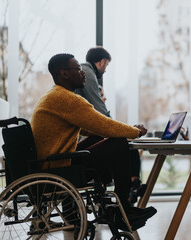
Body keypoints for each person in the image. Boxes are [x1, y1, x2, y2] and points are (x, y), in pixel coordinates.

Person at [31, 53, 156, 227]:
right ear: (65, 74)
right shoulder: (67, 99)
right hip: (58, 170)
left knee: (102, 137)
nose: (83, 73)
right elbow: (105, 125)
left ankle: (111, 203)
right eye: (79, 69)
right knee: (119, 143)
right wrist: (135, 131)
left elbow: (92, 129)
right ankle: (123, 208)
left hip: (50, 164)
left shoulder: (55, 95)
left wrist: (118, 131)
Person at [75, 47, 146, 204]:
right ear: (102, 62)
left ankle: (128, 191)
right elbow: (101, 114)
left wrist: (123, 130)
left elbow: (97, 119)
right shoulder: (87, 73)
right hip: (71, 157)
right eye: (106, 65)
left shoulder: (64, 94)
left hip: (74, 146)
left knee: (120, 139)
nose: (106, 70)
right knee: (121, 142)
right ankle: (124, 202)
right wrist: (127, 130)